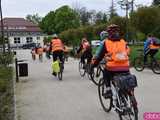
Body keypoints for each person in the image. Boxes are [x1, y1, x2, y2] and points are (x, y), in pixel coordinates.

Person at [91, 24, 130, 97]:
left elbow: (100, 56)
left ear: (109, 33)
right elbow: (127, 52)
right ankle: (128, 98)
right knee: (127, 81)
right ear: (118, 32)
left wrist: (94, 65)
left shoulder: (107, 42)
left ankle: (108, 90)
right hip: (126, 66)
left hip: (113, 67)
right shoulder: (123, 41)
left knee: (106, 73)